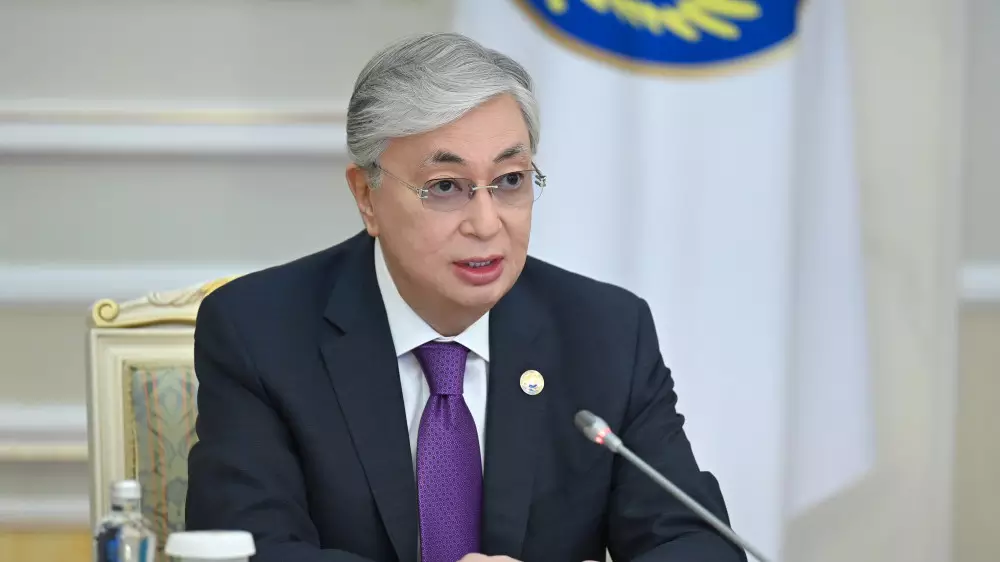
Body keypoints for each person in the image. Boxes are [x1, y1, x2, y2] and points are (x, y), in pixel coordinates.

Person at [185, 32, 745, 562]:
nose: (486, 223)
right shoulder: (258, 332)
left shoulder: (607, 334)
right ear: (366, 197)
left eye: (510, 180)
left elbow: (697, 545)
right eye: (446, 187)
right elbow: (244, 550)